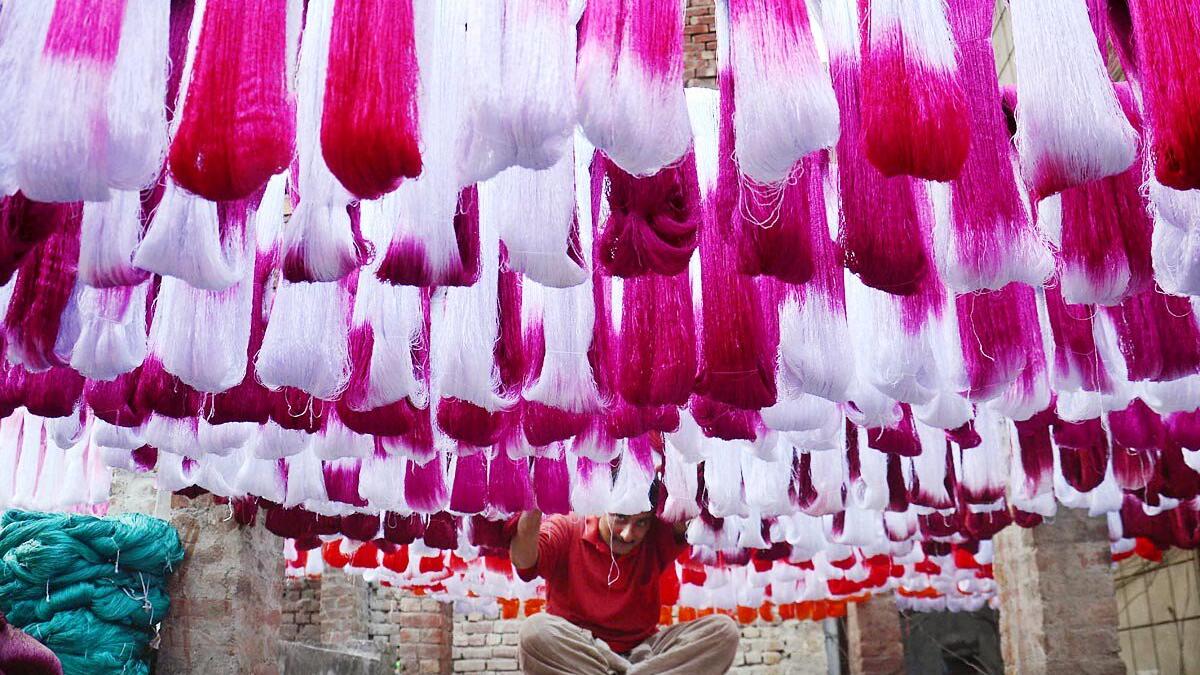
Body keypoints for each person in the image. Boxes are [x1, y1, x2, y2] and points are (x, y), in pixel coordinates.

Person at [509, 494, 739, 675]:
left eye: (641, 523)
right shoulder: (568, 525)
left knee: (723, 631)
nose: (628, 534)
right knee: (535, 631)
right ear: (601, 507)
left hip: (646, 652)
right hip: (581, 652)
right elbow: (524, 562)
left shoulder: (657, 534)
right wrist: (534, 501)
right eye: (620, 518)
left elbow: (688, 513)